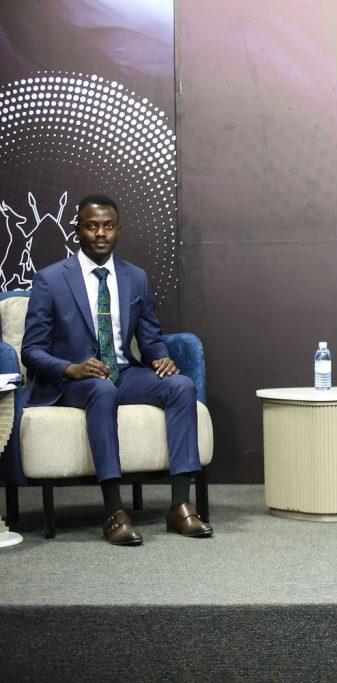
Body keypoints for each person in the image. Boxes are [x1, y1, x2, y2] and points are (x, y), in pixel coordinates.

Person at [21, 195, 213, 545]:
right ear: (78, 229)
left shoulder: (135, 278)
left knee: (181, 386)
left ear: (118, 230)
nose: (100, 233)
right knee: (101, 389)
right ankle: (114, 511)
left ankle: (180, 506)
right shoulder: (51, 280)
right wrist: (72, 369)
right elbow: (31, 351)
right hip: (77, 382)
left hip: (124, 373)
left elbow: (151, 339)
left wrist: (160, 358)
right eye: (91, 226)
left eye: (108, 226)